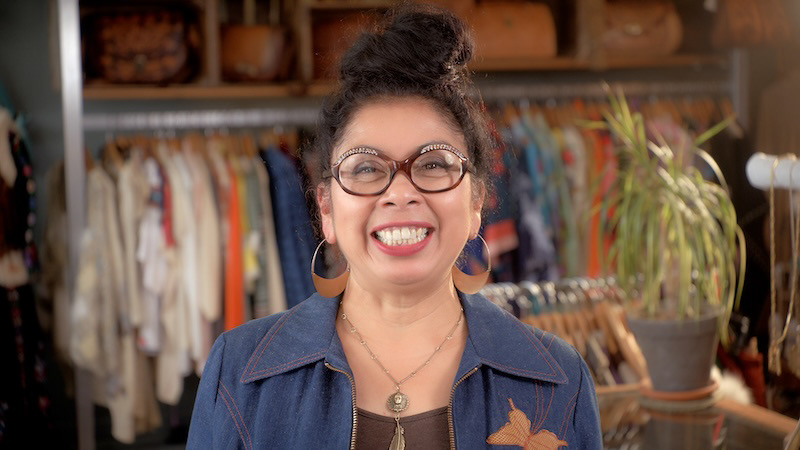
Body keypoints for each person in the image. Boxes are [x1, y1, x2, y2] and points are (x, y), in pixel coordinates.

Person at [187, 5, 602, 449]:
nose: (400, 194)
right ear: (327, 208)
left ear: (477, 202)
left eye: (433, 164)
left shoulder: (557, 381)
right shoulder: (239, 373)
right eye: (366, 168)